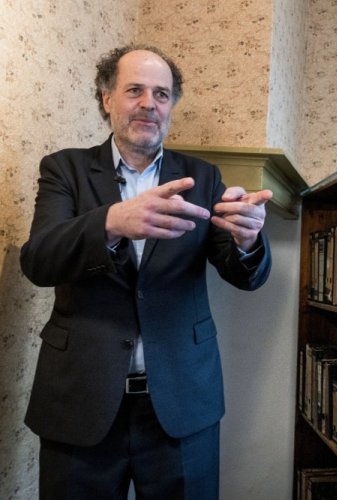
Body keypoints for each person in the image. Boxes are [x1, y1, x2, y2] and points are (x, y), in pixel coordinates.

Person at [20, 44, 273, 499]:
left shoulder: (203, 177)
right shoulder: (65, 169)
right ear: (107, 99)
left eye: (161, 94)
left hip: (181, 403)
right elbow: (38, 260)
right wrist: (111, 222)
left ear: (172, 106)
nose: (148, 104)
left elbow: (244, 274)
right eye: (134, 90)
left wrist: (248, 239)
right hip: (81, 400)